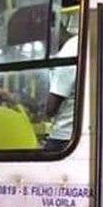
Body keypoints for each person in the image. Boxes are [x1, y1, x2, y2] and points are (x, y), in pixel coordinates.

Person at [43, 23, 79, 152]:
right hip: (76, 130)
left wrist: (41, 111)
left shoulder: (68, 53)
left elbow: (51, 107)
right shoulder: (80, 43)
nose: (44, 46)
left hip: (63, 137)